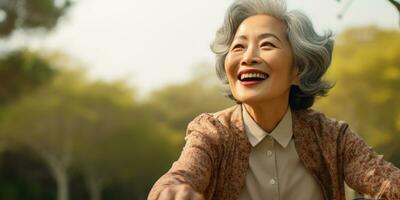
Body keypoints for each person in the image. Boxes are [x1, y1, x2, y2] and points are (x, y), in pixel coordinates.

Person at [148, 0, 400, 199]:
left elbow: (387, 183)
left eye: (267, 45)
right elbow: (180, 176)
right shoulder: (212, 134)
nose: (248, 57)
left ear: (298, 69)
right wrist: (172, 190)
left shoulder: (332, 137)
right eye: (238, 47)